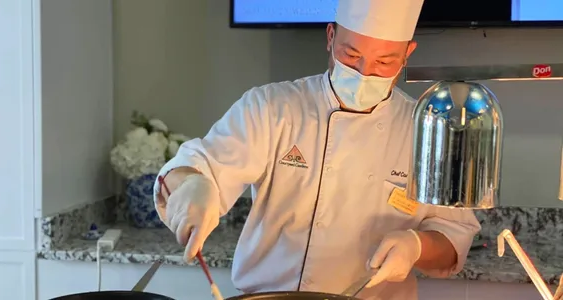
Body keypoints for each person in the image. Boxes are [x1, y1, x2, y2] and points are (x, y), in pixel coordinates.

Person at [153, 0, 481, 298]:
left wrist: (416, 246)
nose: (365, 74)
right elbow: (203, 164)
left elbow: (454, 236)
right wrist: (192, 185)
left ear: (407, 53)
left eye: (385, 61)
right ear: (330, 36)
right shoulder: (272, 108)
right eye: (351, 55)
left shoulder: (427, 130)